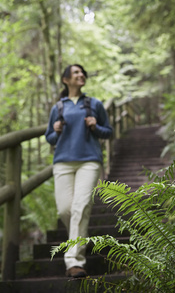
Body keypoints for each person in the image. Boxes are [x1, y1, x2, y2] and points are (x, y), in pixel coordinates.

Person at [45, 64, 112, 278]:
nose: (80, 75)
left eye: (82, 72)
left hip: (89, 161)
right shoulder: (59, 107)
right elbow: (49, 137)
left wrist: (95, 126)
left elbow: (108, 132)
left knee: (81, 206)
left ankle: (74, 261)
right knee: (66, 209)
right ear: (66, 80)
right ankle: (79, 239)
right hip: (63, 162)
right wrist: (55, 130)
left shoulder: (95, 104)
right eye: (75, 73)